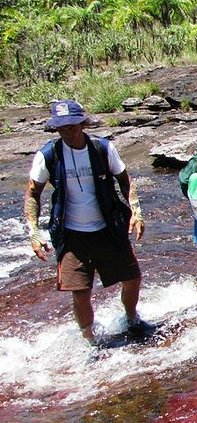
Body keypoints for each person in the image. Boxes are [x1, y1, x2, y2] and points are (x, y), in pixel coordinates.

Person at [24, 100, 152, 346]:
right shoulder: (48, 155)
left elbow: (125, 180)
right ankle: (89, 340)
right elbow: (32, 193)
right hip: (71, 235)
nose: (68, 132)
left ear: (82, 123)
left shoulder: (101, 148)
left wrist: (136, 210)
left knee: (132, 278)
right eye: (61, 128)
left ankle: (131, 318)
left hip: (107, 228)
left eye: (72, 126)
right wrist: (34, 231)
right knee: (80, 291)